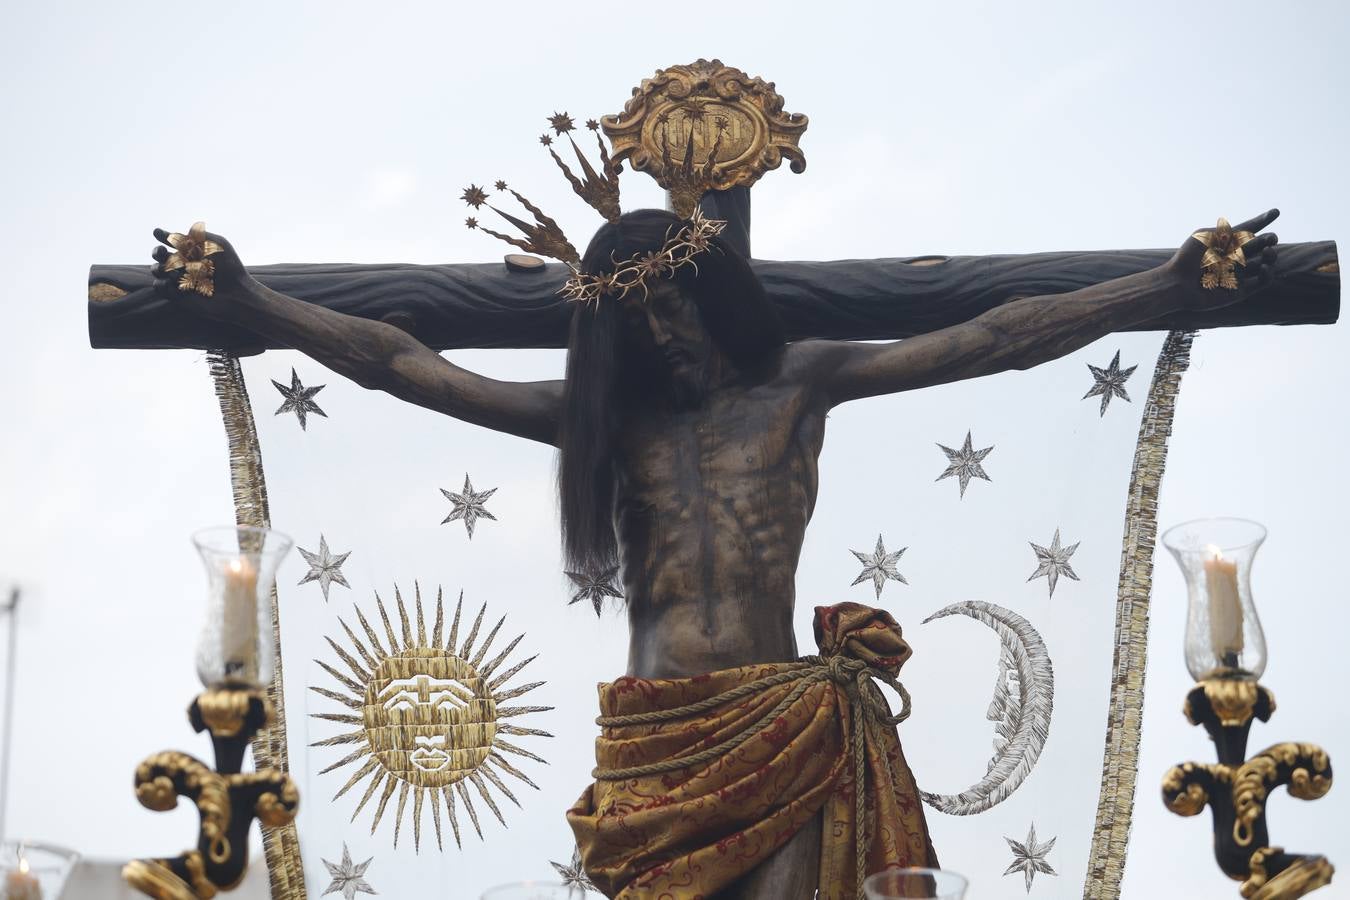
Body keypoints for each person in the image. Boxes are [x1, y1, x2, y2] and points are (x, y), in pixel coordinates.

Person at [152, 206, 1279, 899]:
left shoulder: (802, 384)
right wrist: (253, 298)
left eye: (678, 314)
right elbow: (403, 363)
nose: (666, 342)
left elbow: (990, 339)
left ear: (714, 297)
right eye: (640, 330)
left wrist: (1161, 288)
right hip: (653, 739)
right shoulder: (603, 424)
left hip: (786, 722)